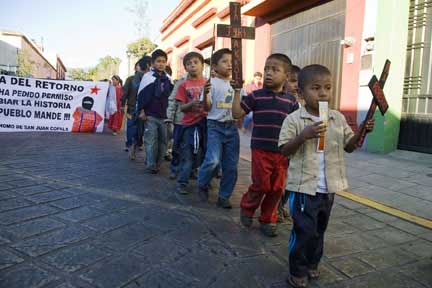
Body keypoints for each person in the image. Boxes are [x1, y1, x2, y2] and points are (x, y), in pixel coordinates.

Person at [278, 64, 374, 288]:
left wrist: (361, 131)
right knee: (303, 231)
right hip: (303, 188)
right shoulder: (293, 120)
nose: (323, 93)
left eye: (328, 88)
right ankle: (297, 270)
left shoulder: (337, 118)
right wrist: (303, 136)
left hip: (327, 189)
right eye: (316, 88)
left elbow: (350, 146)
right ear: (301, 94)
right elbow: (284, 150)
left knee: (319, 230)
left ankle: (313, 263)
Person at [232, 54, 299, 237]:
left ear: (286, 76)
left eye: (275, 70)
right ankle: (247, 208)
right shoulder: (256, 96)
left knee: (277, 188)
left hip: (282, 152)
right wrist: (237, 92)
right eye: (266, 69)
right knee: (262, 184)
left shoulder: (291, 101)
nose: (268, 73)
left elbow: (299, 125)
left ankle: (268, 218)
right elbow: (237, 114)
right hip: (261, 149)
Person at [198, 48, 239, 209]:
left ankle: (224, 196)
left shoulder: (236, 84)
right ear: (214, 66)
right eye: (225, 61)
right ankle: (202, 184)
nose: (229, 65)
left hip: (232, 127)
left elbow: (238, 107)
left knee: (231, 166)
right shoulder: (211, 83)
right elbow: (207, 108)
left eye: (232, 62)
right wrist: (206, 94)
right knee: (213, 160)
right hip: (214, 126)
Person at [175, 52, 207, 194]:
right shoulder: (183, 85)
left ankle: (204, 179)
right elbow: (181, 108)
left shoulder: (208, 83)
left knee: (205, 152)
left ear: (202, 65)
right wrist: (192, 104)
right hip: (189, 125)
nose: (193, 65)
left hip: (206, 124)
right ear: (186, 68)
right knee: (187, 153)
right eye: (189, 63)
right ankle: (182, 181)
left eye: (196, 62)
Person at [137, 49, 173, 174]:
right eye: (158, 61)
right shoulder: (148, 77)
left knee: (163, 141)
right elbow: (141, 95)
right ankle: (151, 164)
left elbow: (172, 97)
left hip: (164, 116)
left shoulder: (168, 78)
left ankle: (158, 163)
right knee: (151, 139)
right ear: (152, 63)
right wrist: (141, 111)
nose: (161, 64)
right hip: (150, 115)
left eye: (163, 61)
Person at [278, 64, 301, 222]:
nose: (296, 85)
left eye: (299, 82)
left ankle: (281, 205)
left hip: (294, 149)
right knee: (279, 182)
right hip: (280, 149)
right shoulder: (280, 101)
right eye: (293, 81)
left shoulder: (298, 103)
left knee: (290, 181)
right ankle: (276, 207)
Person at [121, 56, 152, 159]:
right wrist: (122, 105)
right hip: (132, 108)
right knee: (132, 128)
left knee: (140, 129)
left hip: (146, 109)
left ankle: (135, 145)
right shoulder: (130, 79)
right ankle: (131, 146)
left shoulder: (151, 78)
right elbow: (124, 93)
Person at [166, 72, 188, 179]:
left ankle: (191, 169)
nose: (193, 66)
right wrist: (169, 117)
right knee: (177, 146)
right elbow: (173, 99)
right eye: (190, 63)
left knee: (194, 147)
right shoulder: (181, 82)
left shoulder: (204, 81)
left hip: (196, 121)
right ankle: (175, 168)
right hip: (180, 120)